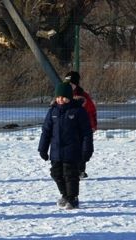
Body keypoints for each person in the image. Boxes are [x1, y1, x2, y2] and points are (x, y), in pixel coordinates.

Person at [38, 82, 93, 210]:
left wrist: (87, 149)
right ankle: (65, 195)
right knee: (56, 173)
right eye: (58, 97)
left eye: (63, 97)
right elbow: (46, 131)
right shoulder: (53, 112)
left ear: (69, 97)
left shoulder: (78, 111)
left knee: (70, 175)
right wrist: (43, 148)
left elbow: (86, 133)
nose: (60, 100)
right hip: (56, 151)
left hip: (72, 150)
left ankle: (73, 198)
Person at [64, 71, 97, 178]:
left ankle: (80, 170)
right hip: (68, 127)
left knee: (83, 149)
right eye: (67, 84)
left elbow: (91, 111)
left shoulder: (83, 96)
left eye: (71, 84)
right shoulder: (62, 96)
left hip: (83, 127)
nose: (69, 86)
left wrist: (93, 125)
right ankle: (72, 170)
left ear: (76, 84)